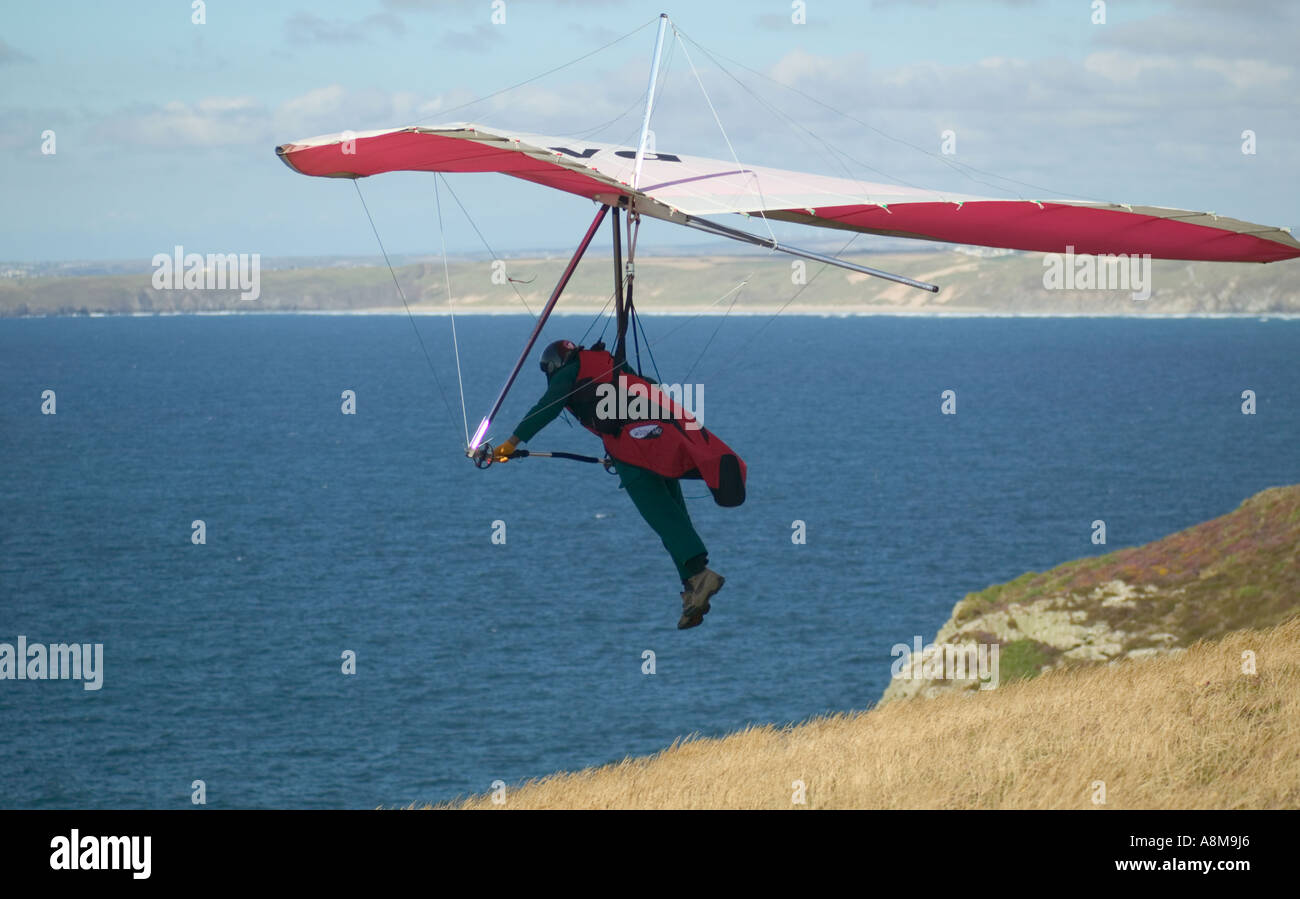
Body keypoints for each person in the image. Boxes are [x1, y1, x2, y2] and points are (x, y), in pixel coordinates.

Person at [488, 339, 746, 629]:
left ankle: (699, 575)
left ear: (555, 366)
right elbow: (645, 388)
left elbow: (547, 406)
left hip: (633, 451)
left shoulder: (568, 373)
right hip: (656, 438)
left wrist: (512, 443)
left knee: (662, 517)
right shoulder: (608, 363)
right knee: (672, 513)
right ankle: (692, 587)